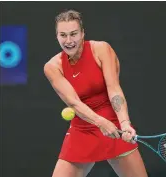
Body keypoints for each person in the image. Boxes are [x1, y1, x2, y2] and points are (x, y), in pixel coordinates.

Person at [44, 9, 148, 177]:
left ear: (83, 33)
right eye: (63, 35)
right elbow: (74, 103)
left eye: (73, 34)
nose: (68, 41)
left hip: (114, 122)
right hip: (82, 127)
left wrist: (125, 122)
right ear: (57, 36)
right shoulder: (52, 67)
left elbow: (114, 88)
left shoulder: (101, 49)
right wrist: (100, 122)